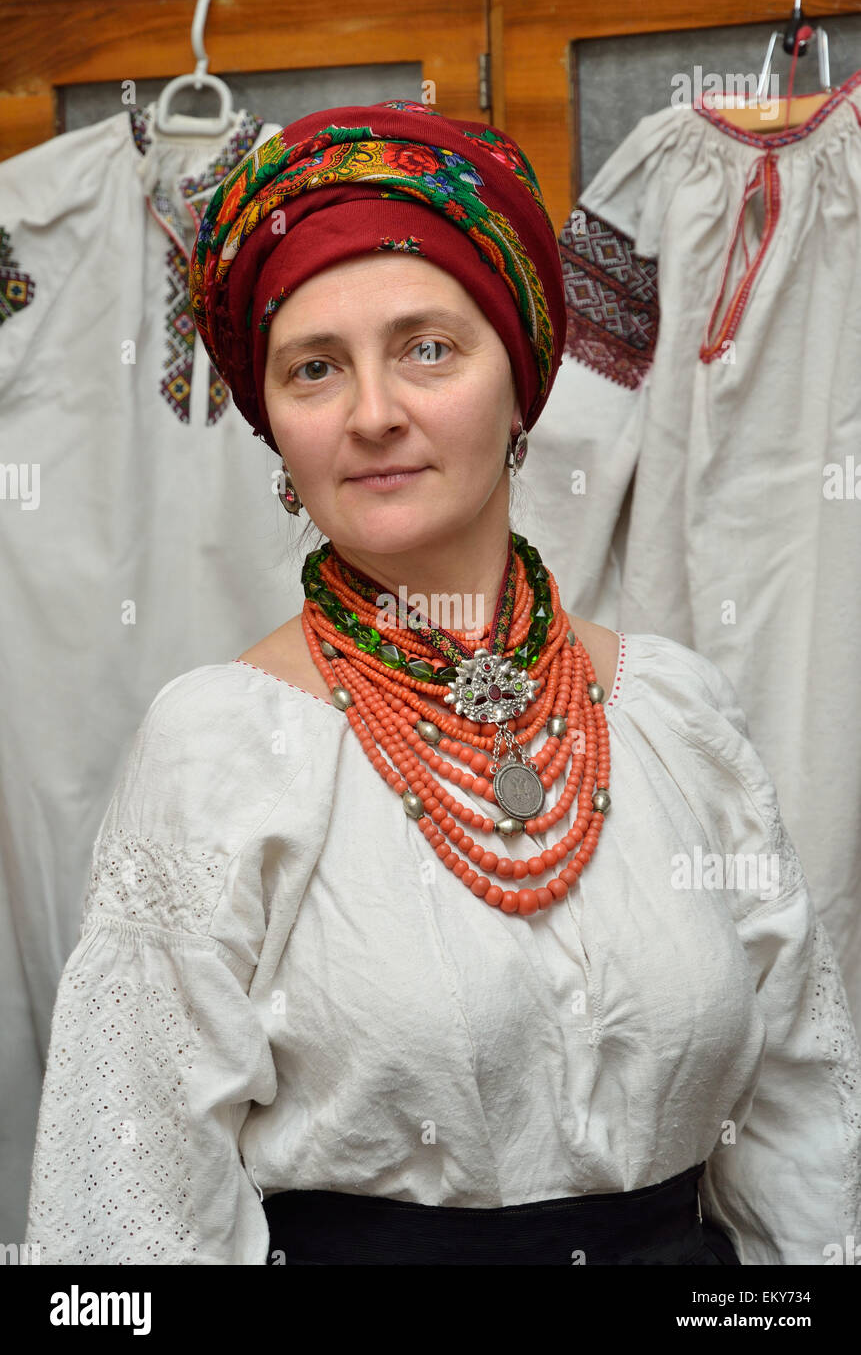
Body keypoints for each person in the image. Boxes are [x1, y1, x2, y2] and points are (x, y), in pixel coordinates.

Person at [24, 100, 861, 1266]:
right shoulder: (219, 752)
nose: (374, 414)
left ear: (522, 380)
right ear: (273, 425)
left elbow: (802, 1138)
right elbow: (132, 1217)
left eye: (428, 347)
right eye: (315, 368)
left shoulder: (678, 716)